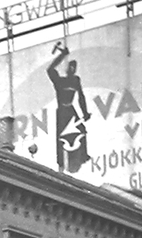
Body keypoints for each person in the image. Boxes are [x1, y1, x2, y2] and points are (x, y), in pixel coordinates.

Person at [46, 42, 91, 174]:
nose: (72, 69)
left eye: (74, 67)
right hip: (62, 112)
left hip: (71, 110)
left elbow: (81, 97)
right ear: (67, 68)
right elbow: (50, 70)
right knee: (61, 136)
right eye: (70, 67)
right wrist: (61, 55)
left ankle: (83, 155)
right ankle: (61, 163)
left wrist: (85, 112)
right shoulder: (60, 81)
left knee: (81, 130)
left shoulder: (75, 80)